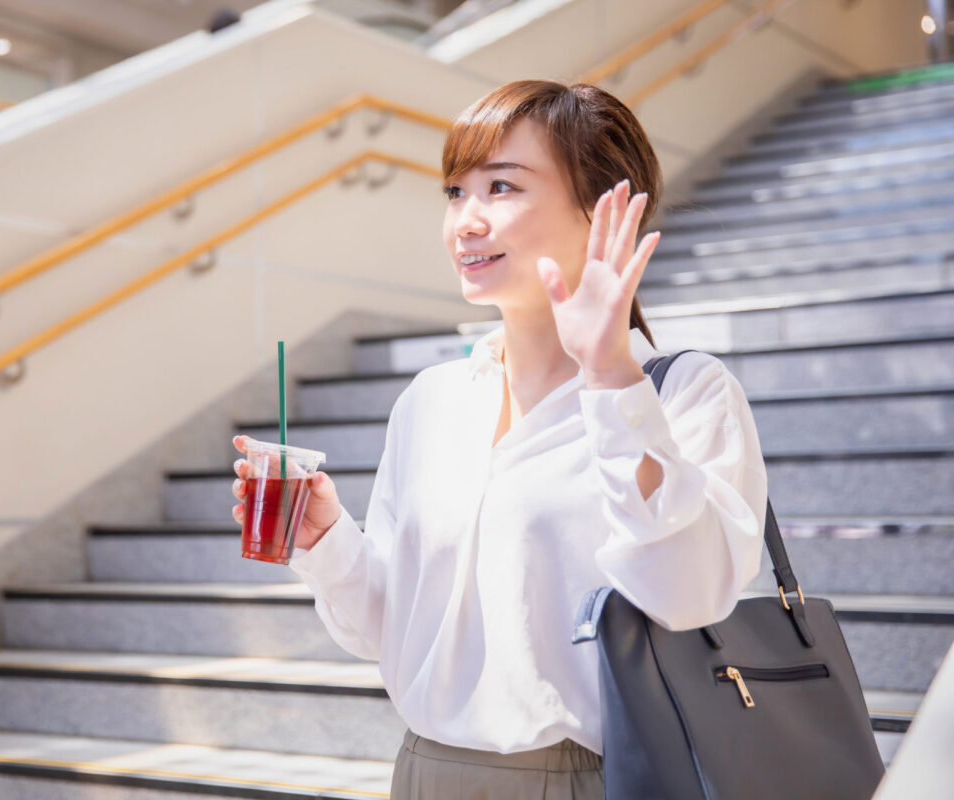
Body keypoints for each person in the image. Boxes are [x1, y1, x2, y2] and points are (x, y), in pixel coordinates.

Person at [230, 79, 769, 799]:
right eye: (455, 192)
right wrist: (328, 540)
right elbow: (384, 633)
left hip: (591, 779)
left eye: (501, 188)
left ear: (602, 206)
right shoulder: (432, 401)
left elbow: (690, 595)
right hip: (424, 770)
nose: (466, 221)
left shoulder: (684, 394)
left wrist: (611, 377)